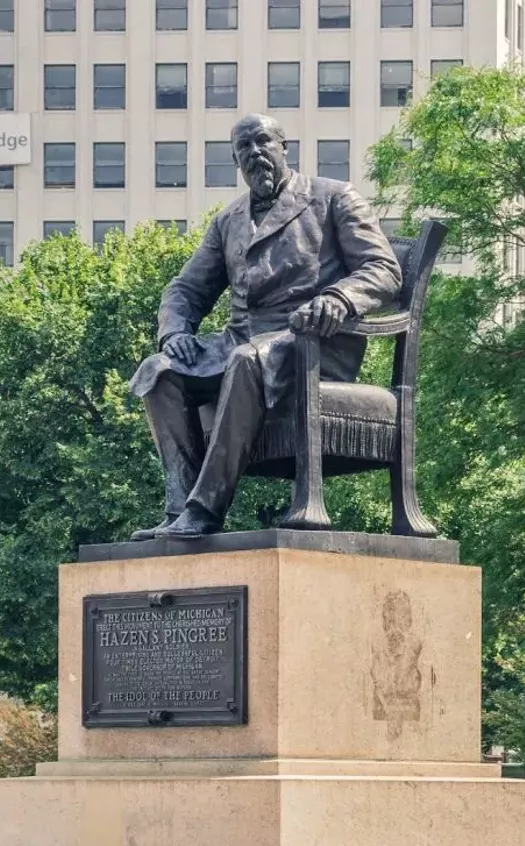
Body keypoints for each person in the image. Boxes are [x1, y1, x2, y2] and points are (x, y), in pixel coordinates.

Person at [130, 113, 402, 539]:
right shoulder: (229, 221)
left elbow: (383, 269)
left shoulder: (333, 198)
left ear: (284, 147)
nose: (255, 153)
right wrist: (175, 332)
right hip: (242, 342)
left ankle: (204, 510)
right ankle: (178, 508)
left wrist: (339, 298)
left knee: (246, 359)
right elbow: (185, 288)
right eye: (244, 148)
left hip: (311, 344)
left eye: (262, 142)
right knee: (158, 371)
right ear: (236, 160)